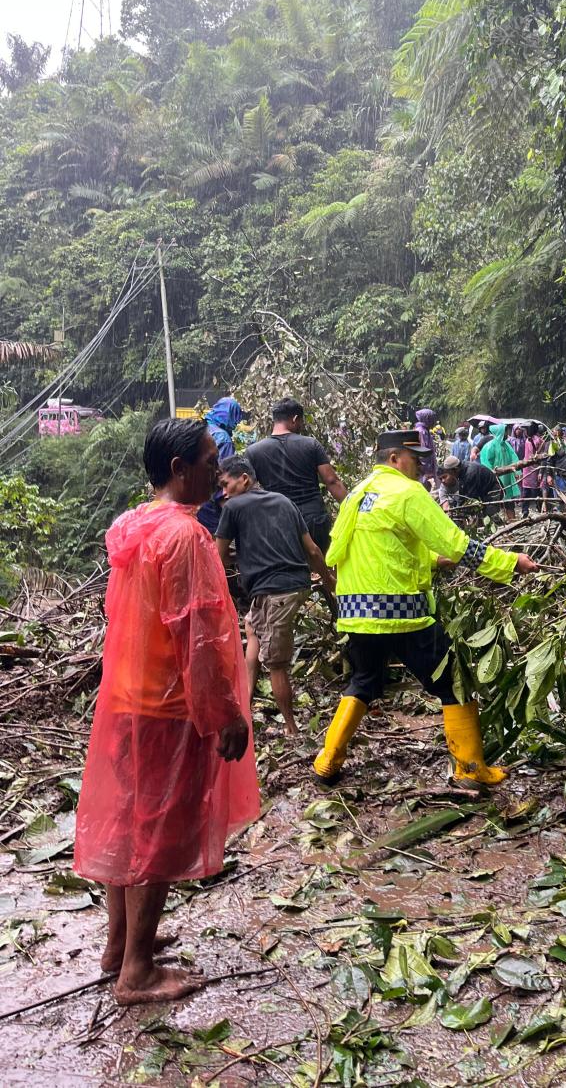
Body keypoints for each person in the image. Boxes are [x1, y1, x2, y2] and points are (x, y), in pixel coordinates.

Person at [73, 419, 259, 1006]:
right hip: (169, 708)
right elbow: (197, 636)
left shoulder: (132, 525)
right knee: (159, 832)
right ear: (179, 469)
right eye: (208, 458)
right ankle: (137, 973)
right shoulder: (185, 538)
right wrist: (224, 713)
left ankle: (121, 946)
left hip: (127, 699)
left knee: (132, 823)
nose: (217, 467)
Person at [312, 429, 538, 788]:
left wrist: (432, 561)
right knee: (454, 682)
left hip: (355, 610)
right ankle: (470, 768)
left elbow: (381, 548)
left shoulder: (358, 493)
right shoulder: (407, 492)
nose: (421, 469)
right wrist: (510, 564)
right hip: (399, 612)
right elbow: (458, 543)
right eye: (416, 461)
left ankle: (327, 760)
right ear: (394, 459)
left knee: (364, 681)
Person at [215, 456, 335, 736]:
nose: (224, 491)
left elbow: (217, 558)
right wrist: (328, 580)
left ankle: (292, 731)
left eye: (226, 483)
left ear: (244, 478)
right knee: (252, 625)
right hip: (295, 584)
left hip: (276, 591)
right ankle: (245, 704)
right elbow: (313, 550)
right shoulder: (284, 501)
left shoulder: (233, 507)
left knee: (276, 663)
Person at [245, 398, 346, 557]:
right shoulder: (310, 444)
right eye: (301, 422)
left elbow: (249, 490)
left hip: (277, 520)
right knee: (319, 568)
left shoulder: (254, 451)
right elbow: (331, 481)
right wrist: (351, 508)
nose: (301, 426)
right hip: (313, 519)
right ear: (294, 419)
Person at [196, 396, 245, 536]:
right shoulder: (222, 437)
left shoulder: (200, 429)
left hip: (193, 498)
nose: (236, 423)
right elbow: (224, 475)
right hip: (211, 502)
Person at [479, 422, 521, 521]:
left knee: (509, 504)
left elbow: (514, 458)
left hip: (507, 479)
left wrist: (517, 472)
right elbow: (485, 463)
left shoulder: (506, 445)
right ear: (500, 433)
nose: (507, 434)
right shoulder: (490, 446)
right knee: (495, 504)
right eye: (505, 432)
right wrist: (492, 475)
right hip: (495, 481)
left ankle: (512, 524)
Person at [436, 453, 503, 515]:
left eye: (451, 473)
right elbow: (462, 495)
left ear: (455, 469)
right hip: (483, 492)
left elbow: (470, 498)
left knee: (491, 514)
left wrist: (461, 510)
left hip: (493, 490)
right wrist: (458, 509)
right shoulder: (462, 469)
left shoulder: (470, 474)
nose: (452, 476)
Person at [520, 428, 547, 515]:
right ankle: (525, 510)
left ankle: (539, 509)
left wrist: (540, 471)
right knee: (525, 491)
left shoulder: (539, 441)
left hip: (535, 468)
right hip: (527, 468)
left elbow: (543, 457)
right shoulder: (527, 440)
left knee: (535, 491)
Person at [414, 408, 440, 486]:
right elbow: (422, 453)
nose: (434, 422)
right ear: (427, 419)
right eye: (432, 419)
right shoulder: (421, 432)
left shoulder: (425, 431)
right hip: (425, 472)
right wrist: (427, 471)